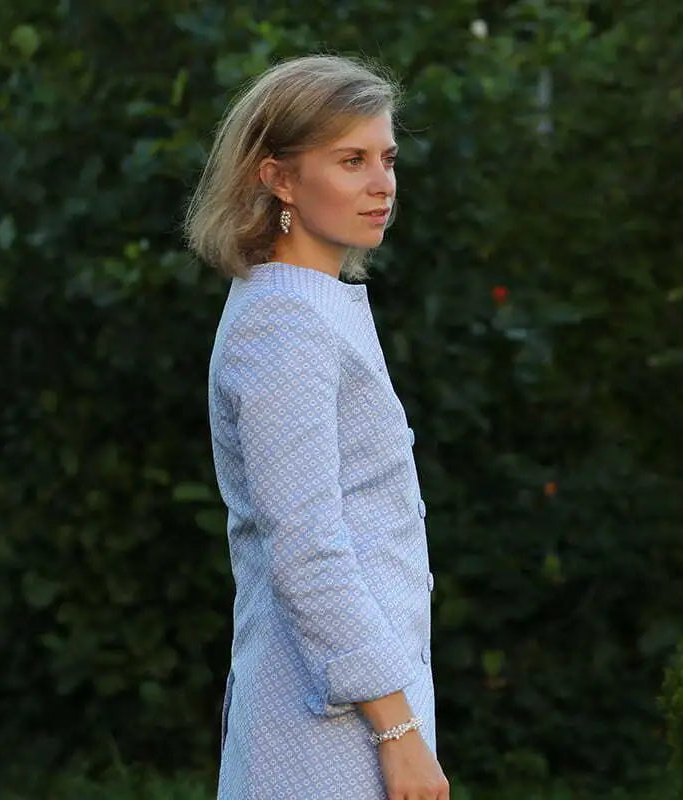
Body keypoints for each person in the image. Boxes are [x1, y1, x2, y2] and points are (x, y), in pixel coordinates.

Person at [185, 53, 449, 800]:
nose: (382, 183)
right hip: (329, 731)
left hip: (357, 711)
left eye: (387, 159)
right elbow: (307, 549)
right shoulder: (285, 322)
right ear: (278, 177)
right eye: (351, 160)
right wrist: (398, 732)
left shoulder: (310, 305)